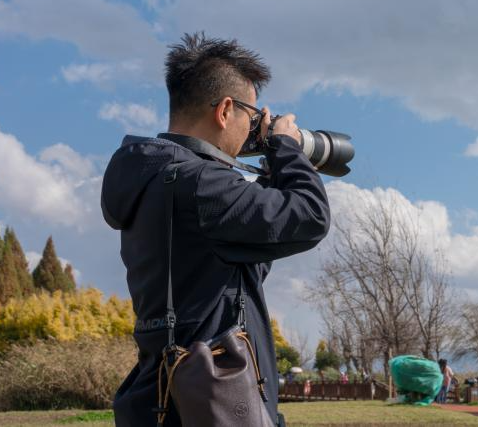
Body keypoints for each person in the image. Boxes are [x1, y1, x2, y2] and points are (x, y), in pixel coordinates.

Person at [101, 34, 331, 426]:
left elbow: (245, 261)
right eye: (252, 116)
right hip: (218, 405)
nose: (253, 128)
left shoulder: (156, 180)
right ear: (225, 110)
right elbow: (310, 216)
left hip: (163, 400)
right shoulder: (203, 184)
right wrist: (285, 147)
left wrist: (272, 173)